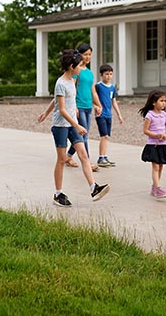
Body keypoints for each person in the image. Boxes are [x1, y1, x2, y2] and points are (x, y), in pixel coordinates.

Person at [43, 49, 110, 207]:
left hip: (72, 124)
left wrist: (45, 113)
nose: (82, 67)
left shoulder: (73, 80)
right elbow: (61, 108)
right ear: (72, 66)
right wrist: (77, 124)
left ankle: (94, 188)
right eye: (80, 65)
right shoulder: (61, 83)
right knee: (61, 160)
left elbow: (60, 101)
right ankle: (58, 193)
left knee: (83, 155)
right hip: (61, 126)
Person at [65, 43, 102, 170]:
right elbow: (71, 88)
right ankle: (87, 162)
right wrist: (73, 106)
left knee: (82, 135)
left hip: (88, 106)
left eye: (90, 54)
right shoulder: (76, 71)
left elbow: (93, 90)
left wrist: (98, 105)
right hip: (79, 106)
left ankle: (68, 156)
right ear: (79, 55)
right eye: (85, 54)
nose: (88, 57)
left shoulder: (90, 73)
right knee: (83, 135)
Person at [139, 90, 166, 199]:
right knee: (156, 167)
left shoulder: (164, 115)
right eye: (161, 101)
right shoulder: (150, 115)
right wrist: (156, 135)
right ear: (154, 102)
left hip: (163, 144)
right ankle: (158, 189)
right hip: (153, 145)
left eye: (165, 101)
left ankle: (155, 187)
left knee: (161, 166)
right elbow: (145, 130)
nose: (164, 103)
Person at [94, 64, 124, 168]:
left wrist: (119, 115)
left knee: (107, 137)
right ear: (101, 75)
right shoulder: (98, 86)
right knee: (104, 136)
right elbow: (92, 98)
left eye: (110, 74)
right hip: (100, 115)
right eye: (106, 74)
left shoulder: (112, 87)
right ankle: (101, 157)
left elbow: (114, 102)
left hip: (109, 115)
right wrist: (95, 107)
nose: (109, 76)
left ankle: (105, 156)